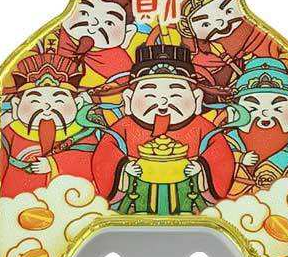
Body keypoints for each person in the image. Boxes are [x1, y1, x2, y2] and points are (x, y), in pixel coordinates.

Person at [91, 44, 234, 214]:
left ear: (197, 100)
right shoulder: (122, 128)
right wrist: (124, 169)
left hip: (189, 194)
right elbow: (104, 157)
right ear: (128, 100)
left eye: (175, 95)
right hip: (136, 194)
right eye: (150, 95)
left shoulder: (204, 129)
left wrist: (201, 169)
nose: (163, 102)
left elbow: (221, 158)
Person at [0, 53, 95, 197]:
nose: (47, 106)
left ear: (78, 104)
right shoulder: (10, 133)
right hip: (18, 198)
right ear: (16, 105)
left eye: (59, 101)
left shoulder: (84, 134)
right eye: (35, 101)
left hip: (68, 197)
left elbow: (91, 163)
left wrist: (54, 163)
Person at [226, 57, 288, 196]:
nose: (265, 114)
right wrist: (239, 159)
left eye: (278, 108)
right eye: (252, 108)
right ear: (233, 114)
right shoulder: (224, 145)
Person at [55, 0, 138, 89]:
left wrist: (111, 87)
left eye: (109, 23)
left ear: (128, 34)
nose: (93, 23)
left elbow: (128, 85)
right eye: (84, 13)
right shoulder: (52, 41)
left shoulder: (119, 62)